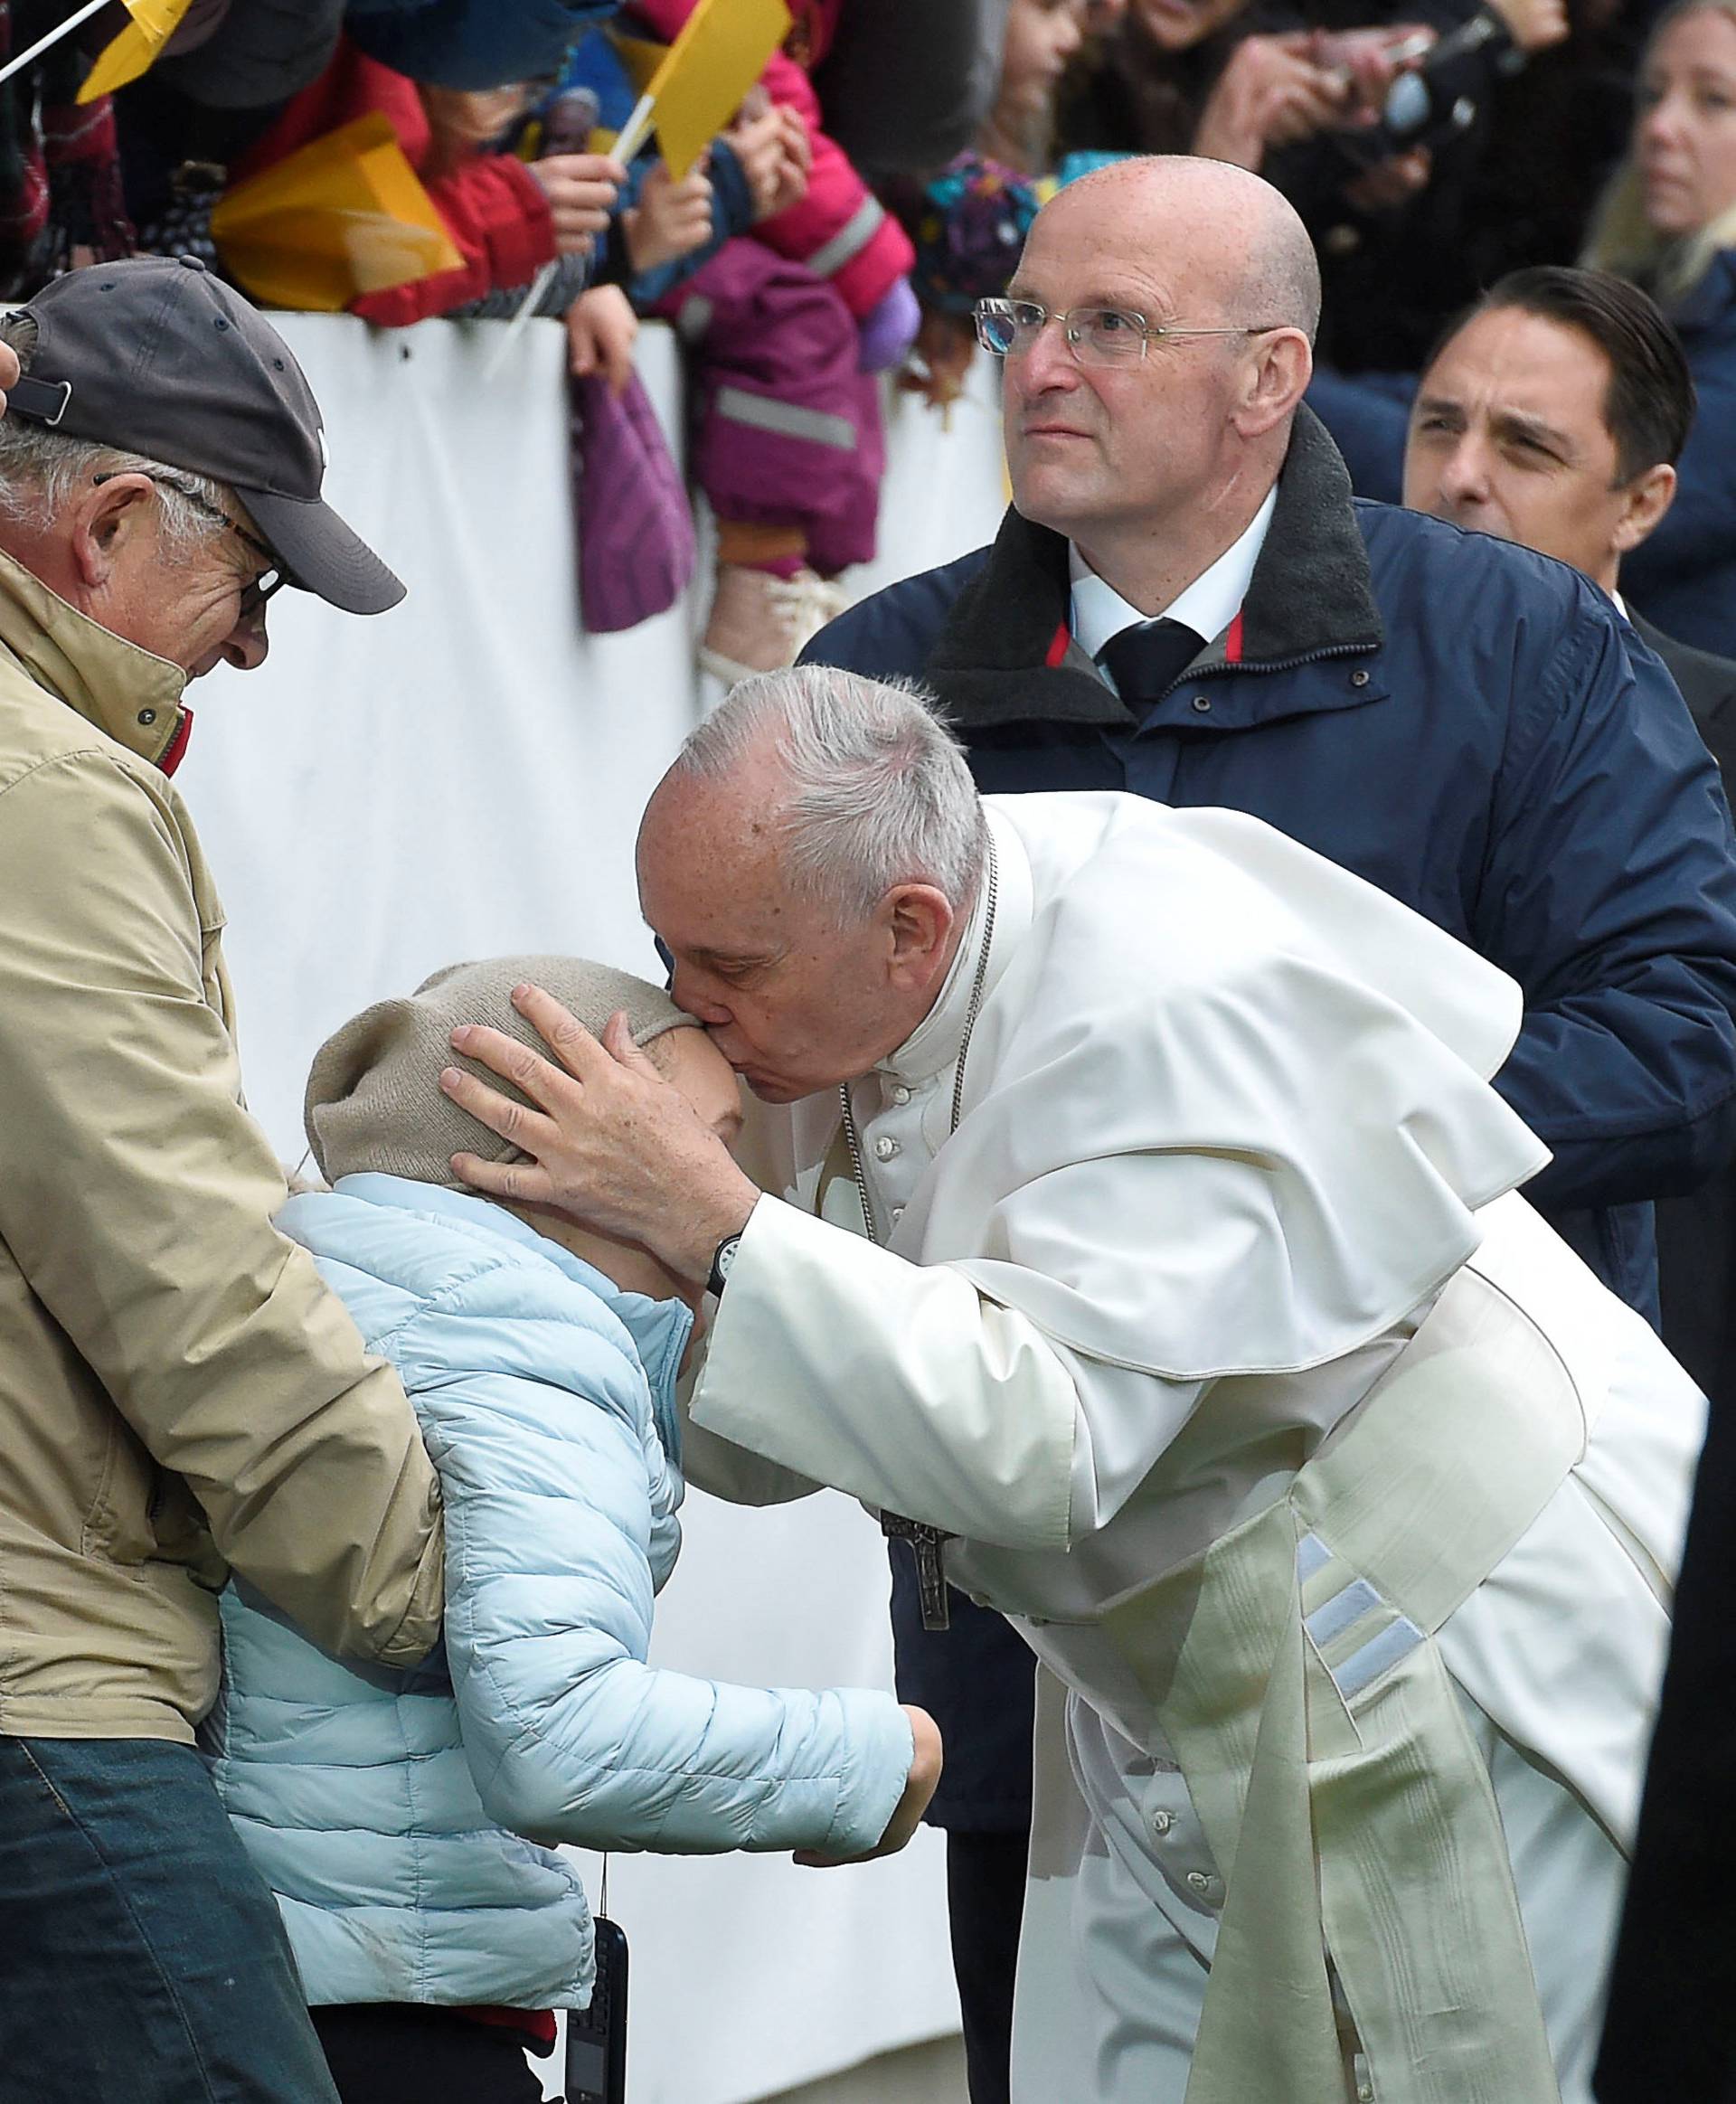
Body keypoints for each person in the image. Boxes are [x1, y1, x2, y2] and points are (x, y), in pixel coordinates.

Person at [797, 152, 1736, 2103]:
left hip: (1473, 1600)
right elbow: (768, 1061)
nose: (1038, 365)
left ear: (1270, 376)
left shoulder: (1517, 646)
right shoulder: (874, 686)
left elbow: (1682, 1030)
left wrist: (1292, 1184)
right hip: (1049, 1618)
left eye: (1108, 326)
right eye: (1016, 318)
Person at [436, 666, 1705, 2104]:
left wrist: (714, 1226)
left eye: (726, 968)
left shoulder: (1156, 987)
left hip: (1436, 1631)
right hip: (1163, 1670)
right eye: (670, 953)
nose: (690, 1004)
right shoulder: (838, 965)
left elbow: (1046, 1440)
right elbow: (796, 1399)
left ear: (909, 929)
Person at [212, 958, 939, 2104]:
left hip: (279, 1976)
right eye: (697, 1137)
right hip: (396, 2018)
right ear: (546, 1154)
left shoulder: (348, 1286)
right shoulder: (525, 1342)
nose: (726, 1185)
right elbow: (557, 1734)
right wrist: (873, 1757)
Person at [0, 259, 446, 2104]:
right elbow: (181, 1263)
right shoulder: (44, 787)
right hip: (41, 1683)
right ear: (108, 523)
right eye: (250, 583)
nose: (251, 648)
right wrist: (431, 1577)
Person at [1399, 262, 1736, 1412]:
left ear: (1643, 502)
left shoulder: (1721, 737)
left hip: (1632, 1381)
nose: (1459, 477)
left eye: (1525, 449)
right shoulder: (1280, 701)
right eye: (1438, 425)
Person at [1580, 0, 1736, 656]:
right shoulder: (1656, 292)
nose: (1660, 128)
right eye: (1652, 95)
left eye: (1714, 101)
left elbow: (1580, 491)